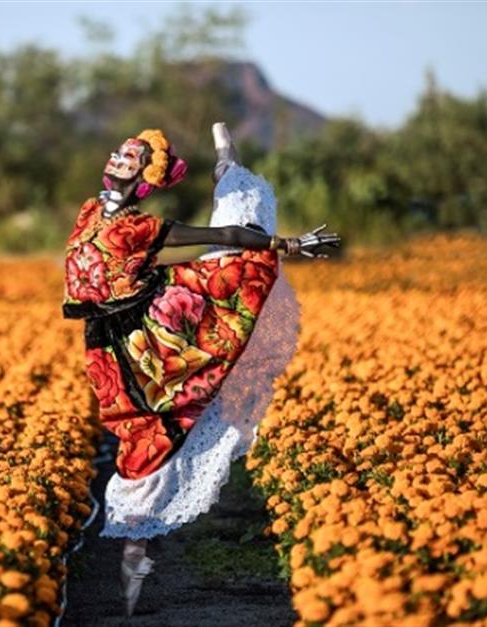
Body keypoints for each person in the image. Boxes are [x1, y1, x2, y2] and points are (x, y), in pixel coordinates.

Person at [61, 123, 340, 617]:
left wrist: (291, 246)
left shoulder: (139, 227)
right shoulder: (88, 211)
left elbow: (224, 235)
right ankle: (134, 572)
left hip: (150, 333)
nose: (116, 156)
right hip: (109, 346)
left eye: (129, 155)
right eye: (118, 150)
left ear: (141, 175)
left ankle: (227, 167)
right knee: (136, 443)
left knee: (230, 264)